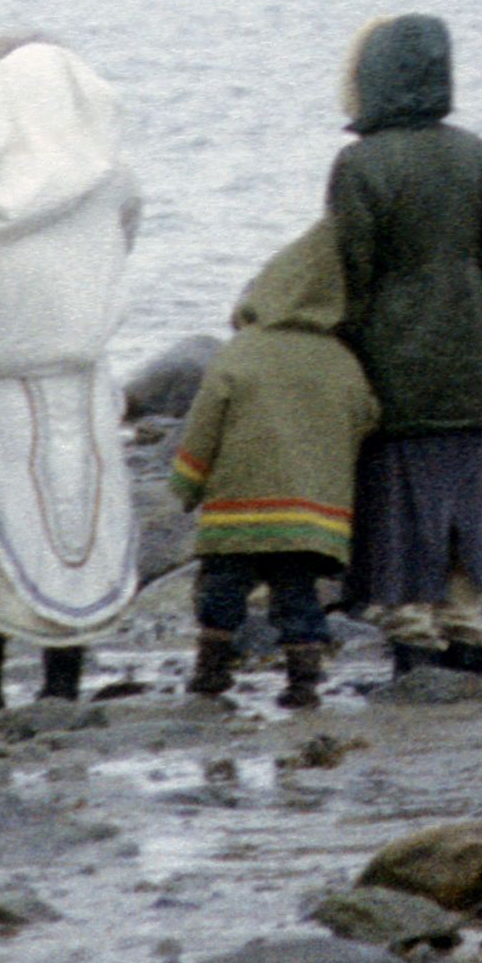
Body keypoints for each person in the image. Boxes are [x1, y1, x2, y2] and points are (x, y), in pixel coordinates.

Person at [327, 14, 482, 679]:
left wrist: (346, 340)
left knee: (395, 494)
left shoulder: (360, 164)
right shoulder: (474, 152)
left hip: (391, 351)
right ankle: (467, 622)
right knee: (464, 491)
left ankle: (411, 623)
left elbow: (349, 269)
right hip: (467, 349)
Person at [0, 35, 140, 708]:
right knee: (80, 522)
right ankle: (63, 683)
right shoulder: (111, 175)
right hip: (82, 377)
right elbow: (125, 239)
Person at [168, 221, 377, 711]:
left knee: (221, 593)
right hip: (307, 515)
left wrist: (186, 485)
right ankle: (303, 680)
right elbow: (367, 418)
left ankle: (212, 670)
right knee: (298, 595)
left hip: (236, 510)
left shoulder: (240, 352)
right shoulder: (340, 359)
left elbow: (204, 425)